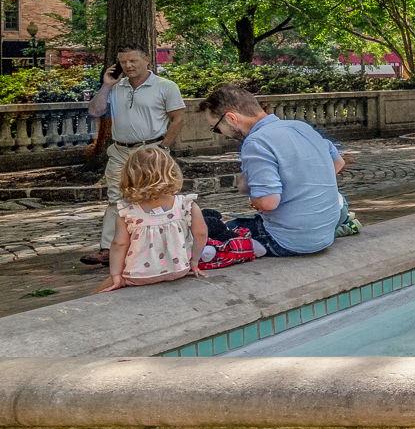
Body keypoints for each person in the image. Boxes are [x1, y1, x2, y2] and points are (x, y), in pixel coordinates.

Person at [199, 84, 347, 258]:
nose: (221, 133)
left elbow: (268, 203)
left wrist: (253, 198)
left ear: (231, 118)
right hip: (325, 233)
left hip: (288, 241)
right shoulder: (300, 127)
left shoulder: (256, 142)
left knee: (219, 228)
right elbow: (338, 162)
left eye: (216, 128)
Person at [81, 46, 186, 268]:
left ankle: (160, 245)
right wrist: (106, 85)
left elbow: (177, 119)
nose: (128, 66)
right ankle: (108, 249)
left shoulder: (165, 87)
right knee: (115, 198)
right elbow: (95, 111)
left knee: (154, 196)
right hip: (120, 151)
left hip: (150, 150)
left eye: (133, 60)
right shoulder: (116, 88)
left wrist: (163, 148)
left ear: (146, 59)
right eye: (123, 62)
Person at [94, 145, 207, 293]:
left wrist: (115, 274)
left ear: (129, 176)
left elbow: (119, 244)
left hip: (138, 275)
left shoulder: (128, 212)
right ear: (171, 171)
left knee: (97, 293)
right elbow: (201, 234)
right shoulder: (186, 205)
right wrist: (194, 261)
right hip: (179, 269)